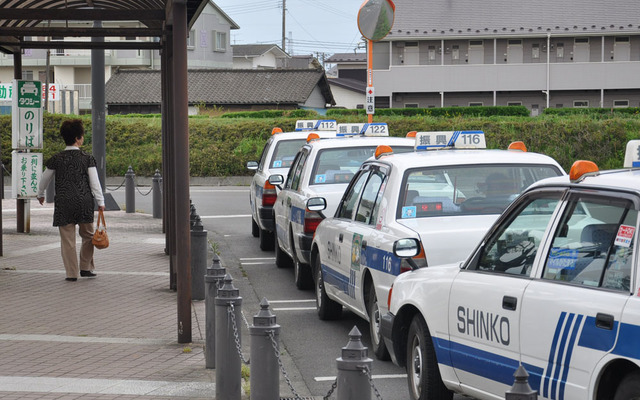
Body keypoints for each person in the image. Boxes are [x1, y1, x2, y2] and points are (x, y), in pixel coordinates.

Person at [37, 119, 106, 282]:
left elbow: (44, 178)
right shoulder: (87, 158)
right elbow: (94, 182)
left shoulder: (56, 158)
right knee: (88, 236)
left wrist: (40, 193)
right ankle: (85, 268)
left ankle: (71, 273)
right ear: (77, 138)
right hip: (84, 201)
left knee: (67, 240)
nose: (82, 138)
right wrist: (101, 201)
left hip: (64, 202)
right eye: (81, 136)